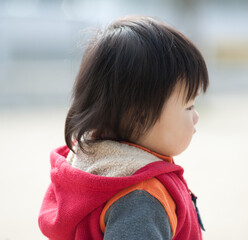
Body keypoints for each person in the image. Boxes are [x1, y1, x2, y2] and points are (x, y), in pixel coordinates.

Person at [38, 16, 209, 240]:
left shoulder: (86, 167)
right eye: (189, 106)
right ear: (140, 116)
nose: (195, 117)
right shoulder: (141, 199)